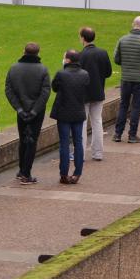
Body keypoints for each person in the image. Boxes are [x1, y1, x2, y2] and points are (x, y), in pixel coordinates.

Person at [5, 44, 51, 180]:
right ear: (38, 53)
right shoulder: (42, 70)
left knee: (23, 140)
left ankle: (22, 170)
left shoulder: (14, 68)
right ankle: (26, 173)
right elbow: (45, 92)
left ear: (23, 51)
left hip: (21, 111)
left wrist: (19, 109)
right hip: (36, 112)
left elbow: (9, 90)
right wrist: (35, 111)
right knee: (31, 141)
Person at [112, 17, 140, 143]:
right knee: (136, 107)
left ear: (133, 25)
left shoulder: (122, 39)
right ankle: (132, 135)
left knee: (123, 105)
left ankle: (117, 134)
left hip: (126, 78)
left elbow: (116, 59)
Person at [50, 50, 90, 185]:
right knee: (78, 142)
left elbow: (54, 88)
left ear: (67, 60)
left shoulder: (61, 74)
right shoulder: (84, 74)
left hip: (64, 112)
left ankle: (64, 173)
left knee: (64, 143)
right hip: (78, 111)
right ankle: (77, 173)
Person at [77, 28, 112, 162]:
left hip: (84, 93)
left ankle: (80, 154)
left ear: (83, 38)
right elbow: (108, 72)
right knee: (97, 121)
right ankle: (98, 153)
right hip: (98, 91)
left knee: (83, 123)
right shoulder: (102, 53)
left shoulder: (80, 55)